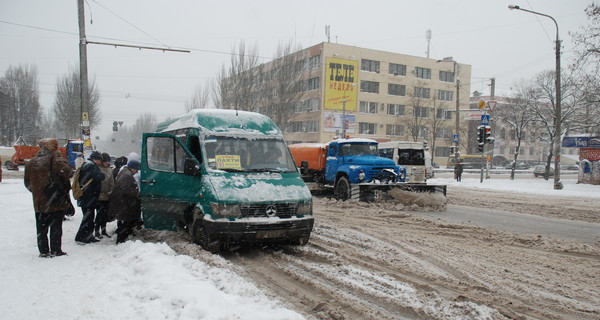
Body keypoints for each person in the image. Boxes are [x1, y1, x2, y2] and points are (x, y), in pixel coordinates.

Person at [24, 138, 72, 258]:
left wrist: (37, 192)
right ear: (53, 148)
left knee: (41, 228)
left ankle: (43, 250)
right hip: (54, 201)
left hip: (39, 202)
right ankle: (56, 250)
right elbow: (68, 173)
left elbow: (27, 183)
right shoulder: (56, 161)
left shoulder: (31, 162)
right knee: (56, 227)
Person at [74, 151, 105, 244]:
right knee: (88, 218)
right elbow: (99, 176)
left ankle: (88, 236)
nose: (100, 162)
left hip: (87, 197)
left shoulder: (87, 165)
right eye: (99, 160)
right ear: (96, 159)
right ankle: (80, 237)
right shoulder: (90, 166)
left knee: (89, 218)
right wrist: (102, 174)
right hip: (88, 197)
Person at [109, 159, 142, 244]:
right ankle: (121, 241)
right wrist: (137, 193)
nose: (137, 172)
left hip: (121, 202)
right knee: (124, 222)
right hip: (123, 203)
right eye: (136, 169)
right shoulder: (127, 175)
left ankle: (122, 239)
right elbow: (127, 189)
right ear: (132, 168)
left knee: (122, 222)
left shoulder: (124, 172)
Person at [95, 152, 114, 239]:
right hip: (100, 196)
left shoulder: (109, 169)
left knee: (105, 215)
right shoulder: (98, 169)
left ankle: (103, 230)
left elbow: (111, 182)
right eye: (106, 161)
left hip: (107, 196)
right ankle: (96, 231)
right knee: (99, 215)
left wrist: (111, 191)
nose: (107, 163)